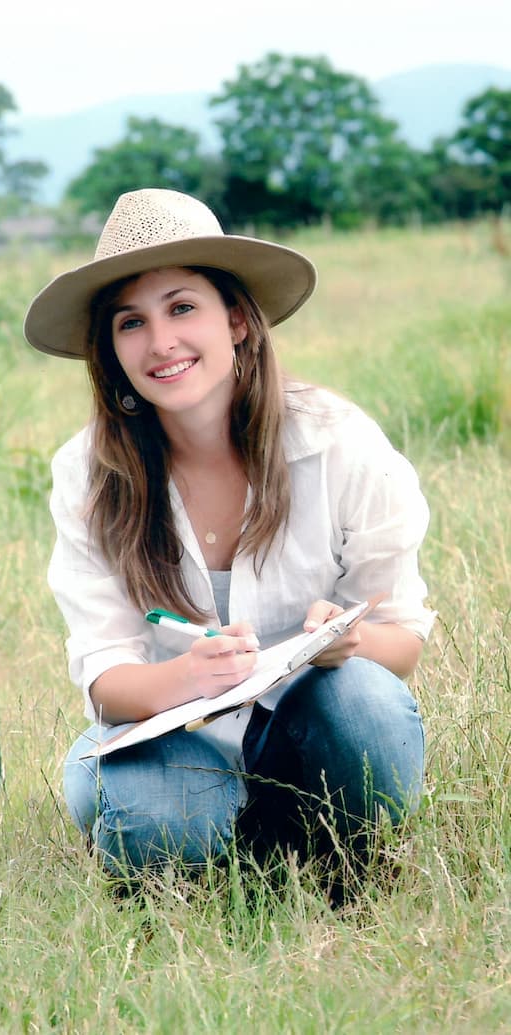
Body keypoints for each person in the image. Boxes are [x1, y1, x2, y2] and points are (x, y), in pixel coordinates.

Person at [23, 188, 435, 888]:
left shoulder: (338, 440)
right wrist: (185, 676)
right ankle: (213, 852)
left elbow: (402, 640)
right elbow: (106, 679)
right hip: (174, 738)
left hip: (312, 729)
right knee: (154, 821)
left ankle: (340, 855)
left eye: (183, 308)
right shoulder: (88, 471)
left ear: (238, 319)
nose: (161, 343)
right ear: (110, 348)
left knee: (365, 702)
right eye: (131, 322)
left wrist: (347, 641)